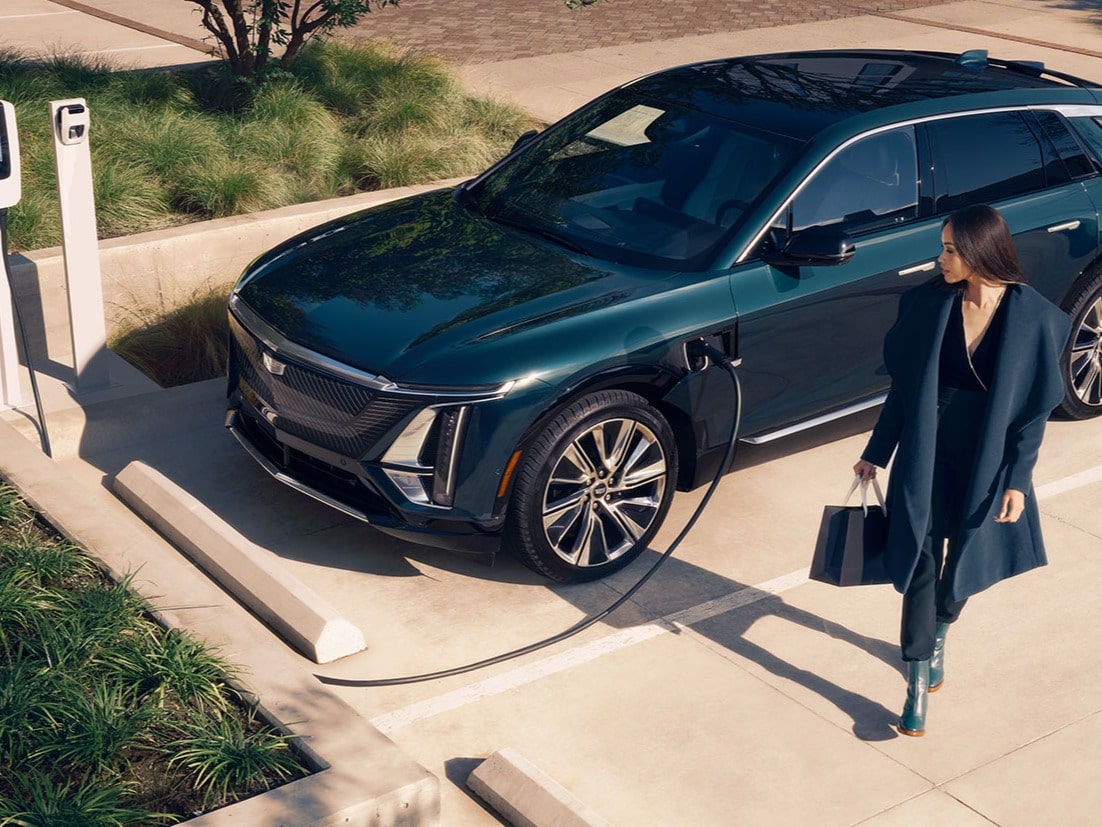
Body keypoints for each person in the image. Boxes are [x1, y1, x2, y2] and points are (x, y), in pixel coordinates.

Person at [853, 204, 1070, 737]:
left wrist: (1017, 480)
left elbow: (1032, 413)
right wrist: (877, 452)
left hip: (986, 455)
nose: (941, 259)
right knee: (920, 558)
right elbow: (905, 392)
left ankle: (942, 627)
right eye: (943, 248)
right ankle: (915, 679)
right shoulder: (929, 304)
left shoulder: (1033, 317)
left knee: (967, 557)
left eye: (950, 250)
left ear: (979, 251)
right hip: (926, 449)